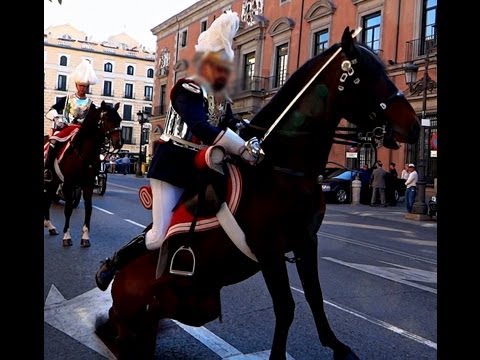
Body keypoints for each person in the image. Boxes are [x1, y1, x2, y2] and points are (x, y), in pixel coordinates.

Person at [95, 11, 263, 291]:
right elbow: (202, 126)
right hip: (173, 164)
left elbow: (232, 123)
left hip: (202, 166)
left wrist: (255, 134)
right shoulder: (188, 89)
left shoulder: (220, 97)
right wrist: (242, 148)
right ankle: (114, 263)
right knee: (160, 234)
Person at [44, 59, 98, 182]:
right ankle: (47, 169)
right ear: (76, 85)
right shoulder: (67, 99)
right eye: (80, 85)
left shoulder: (91, 104)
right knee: (53, 141)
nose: (82, 88)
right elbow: (51, 110)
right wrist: (57, 118)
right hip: (66, 127)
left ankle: (93, 172)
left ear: (87, 87)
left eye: (84, 86)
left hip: (82, 131)